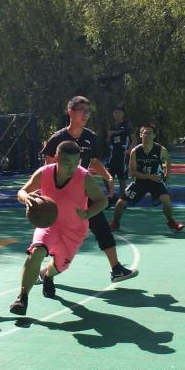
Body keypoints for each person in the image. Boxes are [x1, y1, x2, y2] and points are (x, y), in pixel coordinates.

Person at [41, 96, 136, 283]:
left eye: (88, 111)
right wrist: (46, 196)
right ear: (70, 112)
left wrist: (107, 176)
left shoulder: (90, 137)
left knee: (101, 227)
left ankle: (116, 269)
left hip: (83, 191)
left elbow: (94, 161)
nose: (86, 114)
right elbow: (48, 167)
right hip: (61, 194)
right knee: (57, 235)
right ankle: (45, 271)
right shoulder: (57, 139)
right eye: (82, 110)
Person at [10, 141, 108, 315]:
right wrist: (26, 198)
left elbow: (102, 201)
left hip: (74, 230)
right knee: (37, 253)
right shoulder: (44, 173)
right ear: (56, 158)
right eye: (67, 163)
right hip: (48, 225)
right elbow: (22, 191)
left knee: (60, 266)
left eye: (76, 163)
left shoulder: (84, 177)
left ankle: (48, 275)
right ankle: (22, 298)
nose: (72, 167)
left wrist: (87, 214)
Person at [111, 123, 184, 232]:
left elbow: (168, 159)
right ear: (141, 135)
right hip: (139, 182)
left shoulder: (160, 149)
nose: (147, 135)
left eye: (150, 133)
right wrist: (149, 176)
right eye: (145, 133)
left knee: (166, 199)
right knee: (120, 202)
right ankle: (115, 223)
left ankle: (171, 222)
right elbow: (133, 172)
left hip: (156, 182)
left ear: (154, 135)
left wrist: (167, 174)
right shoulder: (135, 151)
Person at [105, 106, 136, 201]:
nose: (117, 115)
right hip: (112, 155)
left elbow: (134, 140)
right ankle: (113, 197)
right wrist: (109, 137)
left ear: (123, 114)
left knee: (121, 178)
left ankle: (123, 201)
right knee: (106, 176)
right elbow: (107, 142)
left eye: (119, 113)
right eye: (115, 113)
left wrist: (129, 151)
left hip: (123, 155)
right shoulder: (111, 126)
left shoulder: (127, 125)